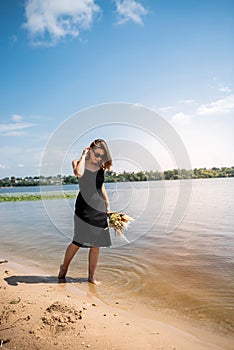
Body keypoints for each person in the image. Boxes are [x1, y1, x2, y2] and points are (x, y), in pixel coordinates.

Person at [58, 139, 112, 285]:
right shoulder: (77, 162)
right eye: (97, 154)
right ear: (90, 150)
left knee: (96, 244)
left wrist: (107, 205)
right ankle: (64, 268)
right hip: (84, 208)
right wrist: (83, 156)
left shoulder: (101, 167)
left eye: (102, 155)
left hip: (99, 208)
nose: (99, 158)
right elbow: (78, 173)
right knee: (78, 241)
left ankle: (91, 277)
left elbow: (101, 187)